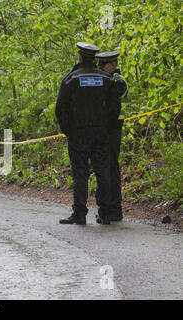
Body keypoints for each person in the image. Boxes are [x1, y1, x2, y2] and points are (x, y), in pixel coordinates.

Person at [56, 42, 117, 225]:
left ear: (80, 57)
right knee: (103, 171)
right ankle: (105, 212)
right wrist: (107, 127)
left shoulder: (70, 79)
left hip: (79, 134)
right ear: (95, 58)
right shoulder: (107, 79)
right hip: (101, 133)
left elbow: (60, 109)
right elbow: (115, 107)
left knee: (80, 173)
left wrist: (69, 131)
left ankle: (80, 213)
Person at [95, 52, 128, 222]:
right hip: (104, 128)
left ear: (113, 65)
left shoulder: (118, 79)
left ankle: (112, 208)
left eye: (105, 66)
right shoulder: (105, 78)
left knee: (109, 168)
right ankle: (111, 208)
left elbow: (118, 90)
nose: (102, 70)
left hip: (113, 128)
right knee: (107, 167)